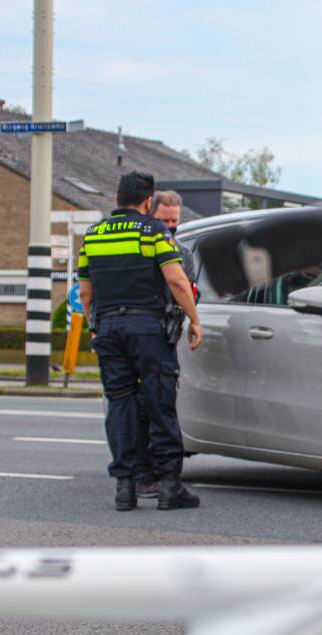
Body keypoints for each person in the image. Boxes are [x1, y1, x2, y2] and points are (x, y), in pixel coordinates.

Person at [78, 172, 203, 511]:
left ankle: (125, 488)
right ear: (148, 202)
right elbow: (177, 281)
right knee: (159, 403)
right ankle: (169, 487)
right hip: (147, 329)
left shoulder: (93, 235)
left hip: (108, 329)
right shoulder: (153, 231)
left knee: (120, 405)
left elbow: (85, 291)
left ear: (117, 198)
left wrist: (94, 328)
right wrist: (194, 318)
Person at [133, 190, 197, 498]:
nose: (169, 227)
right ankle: (142, 472)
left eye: (174, 221)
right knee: (141, 407)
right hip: (139, 336)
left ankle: (157, 473)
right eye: (163, 220)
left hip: (165, 337)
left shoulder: (184, 253)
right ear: (150, 215)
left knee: (161, 405)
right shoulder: (135, 249)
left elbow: (189, 292)